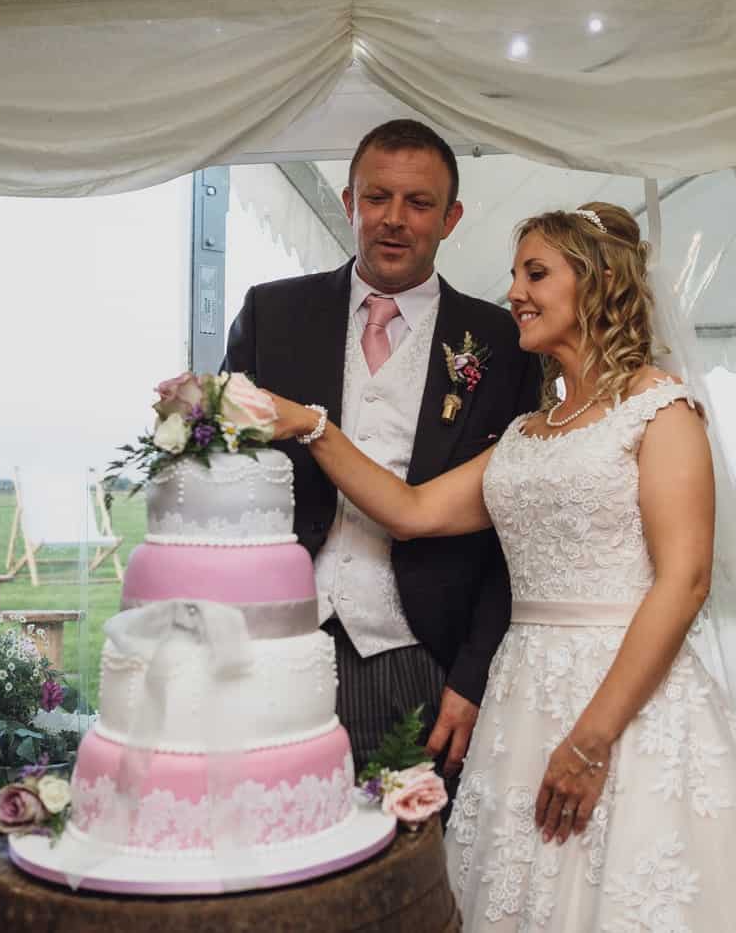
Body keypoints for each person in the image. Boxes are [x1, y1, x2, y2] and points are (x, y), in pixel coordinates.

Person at [262, 203, 736, 930]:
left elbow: (684, 582)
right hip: (522, 701)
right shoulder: (526, 433)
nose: (514, 291)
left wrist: (591, 739)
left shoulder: (660, 410)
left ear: (598, 281)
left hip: (626, 703)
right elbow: (411, 510)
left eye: (536, 273)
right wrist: (312, 426)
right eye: (516, 274)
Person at [223, 118, 542, 777]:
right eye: (376, 197)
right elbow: (222, 481)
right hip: (274, 651)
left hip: (422, 660)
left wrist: (473, 675)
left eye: (419, 203)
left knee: (414, 843)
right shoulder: (271, 315)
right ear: (349, 203)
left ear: (450, 218)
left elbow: (518, 533)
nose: (394, 219)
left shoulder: (504, 344)